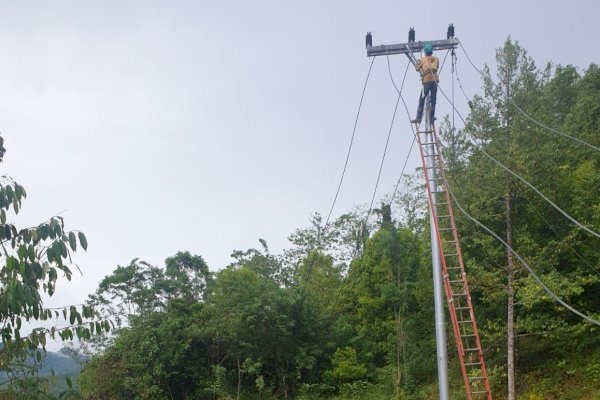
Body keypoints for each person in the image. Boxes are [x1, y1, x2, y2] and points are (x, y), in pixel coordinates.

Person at [411, 43, 439, 125]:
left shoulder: (423, 60)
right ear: (432, 52)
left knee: (422, 98)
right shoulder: (436, 59)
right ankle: (431, 117)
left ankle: (418, 118)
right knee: (433, 100)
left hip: (426, 81)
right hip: (434, 80)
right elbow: (436, 67)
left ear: (426, 52)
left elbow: (417, 68)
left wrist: (419, 62)